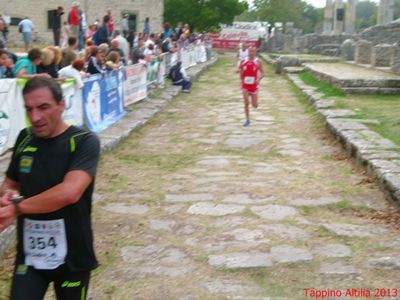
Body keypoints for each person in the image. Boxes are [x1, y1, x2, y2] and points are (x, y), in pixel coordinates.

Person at [0, 76, 100, 300]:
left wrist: (17, 208)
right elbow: (11, 182)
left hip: (73, 257)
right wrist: (8, 196)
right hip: (31, 256)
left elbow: (70, 192)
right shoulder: (25, 138)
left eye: (43, 107)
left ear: (61, 104)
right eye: (29, 109)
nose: (35, 117)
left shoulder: (83, 141)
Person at [239, 46, 265, 127]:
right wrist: (241, 78)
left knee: (254, 105)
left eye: (253, 51)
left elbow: (263, 73)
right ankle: (247, 120)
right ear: (248, 52)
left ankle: (256, 103)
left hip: (254, 85)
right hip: (245, 85)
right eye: (250, 51)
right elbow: (240, 70)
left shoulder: (258, 61)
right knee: (246, 102)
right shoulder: (244, 61)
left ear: (255, 52)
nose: (251, 53)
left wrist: (259, 79)